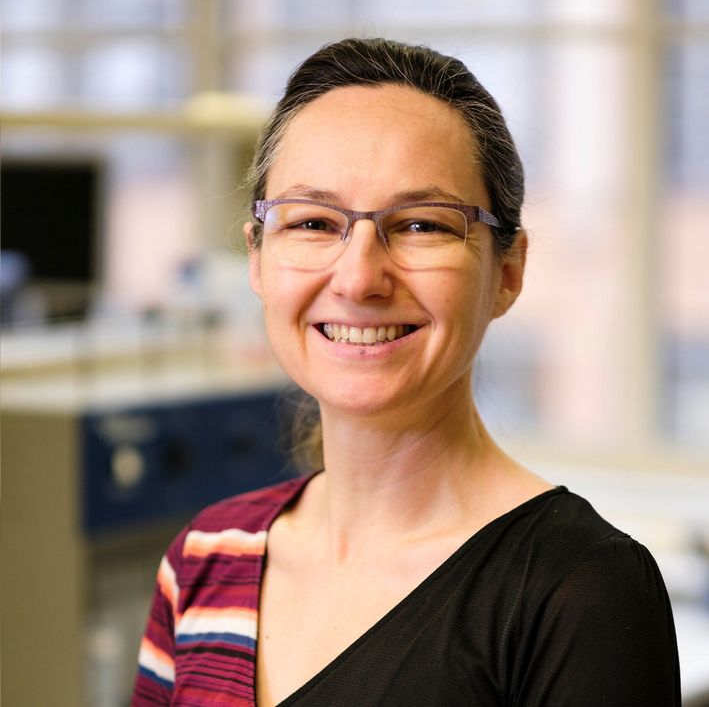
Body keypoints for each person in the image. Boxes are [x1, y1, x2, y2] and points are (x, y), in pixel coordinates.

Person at [132, 37, 680, 706]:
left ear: (507, 272)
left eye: (421, 224)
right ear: (255, 258)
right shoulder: (205, 559)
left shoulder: (576, 586)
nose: (359, 277)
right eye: (311, 221)